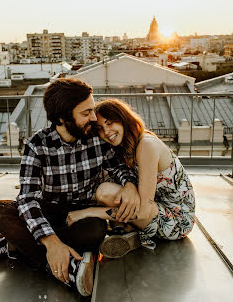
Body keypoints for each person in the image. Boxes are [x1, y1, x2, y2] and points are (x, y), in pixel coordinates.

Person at [0, 79, 138, 297]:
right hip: (47, 211)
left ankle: (14, 242)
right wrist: (51, 242)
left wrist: (130, 185)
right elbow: (27, 199)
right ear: (62, 118)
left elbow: (118, 169)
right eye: (86, 113)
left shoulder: (97, 138)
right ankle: (67, 270)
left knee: (96, 232)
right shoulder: (37, 145)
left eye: (93, 110)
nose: (94, 118)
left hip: (79, 217)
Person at [66, 98, 195, 258]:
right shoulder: (122, 148)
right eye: (100, 128)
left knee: (105, 192)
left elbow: (143, 210)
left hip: (176, 221)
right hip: (153, 206)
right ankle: (129, 233)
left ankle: (127, 230)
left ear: (123, 119)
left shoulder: (146, 145)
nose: (106, 132)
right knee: (106, 180)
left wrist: (89, 212)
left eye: (110, 123)